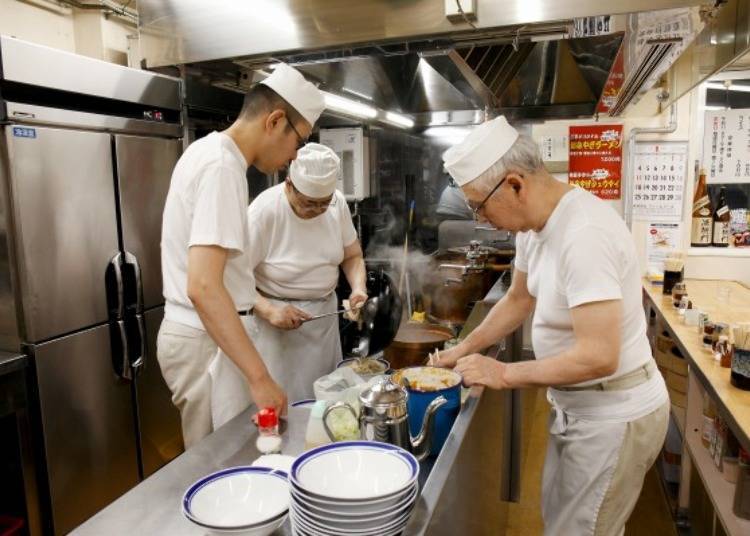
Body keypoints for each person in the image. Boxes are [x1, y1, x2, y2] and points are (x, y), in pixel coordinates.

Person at [436, 116, 669, 535]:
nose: (481, 218)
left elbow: (599, 357)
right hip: (578, 407)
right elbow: (518, 299)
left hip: (612, 415)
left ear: (515, 184)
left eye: (479, 205)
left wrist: (504, 373)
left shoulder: (584, 234)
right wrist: (461, 349)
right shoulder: (534, 227)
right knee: (561, 521)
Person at [157, 63, 325, 448]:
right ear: (275, 121)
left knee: (224, 454)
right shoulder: (221, 168)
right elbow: (202, 285)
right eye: (298, 141)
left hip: (207, 335)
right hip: (204, 341)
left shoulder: (210, 153)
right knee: (213, 460)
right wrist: (259, 377)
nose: (294, 157)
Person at [210, 143, 367, 418]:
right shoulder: (264, 213)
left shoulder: (337, 204)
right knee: (283, 411)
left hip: (323, 324)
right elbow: (233, 279)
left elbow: (352, 255)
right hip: (276, 327)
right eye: (308, 202)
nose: (317, 210)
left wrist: (357, 289)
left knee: (325, 409)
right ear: (289, 185)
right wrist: (270, 311)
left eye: (323, 202)